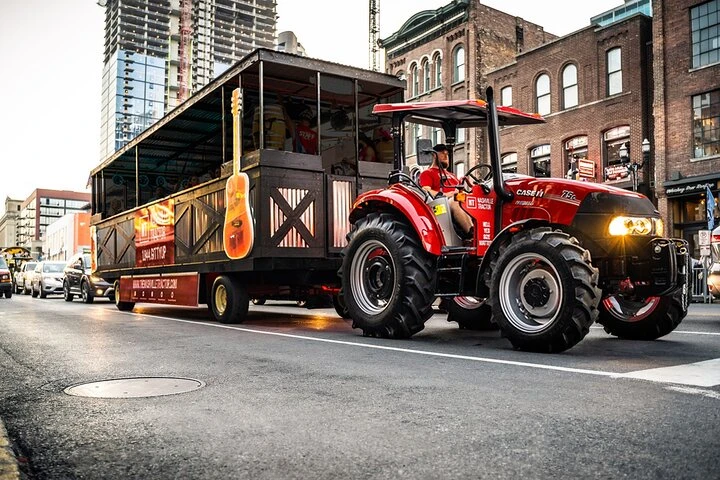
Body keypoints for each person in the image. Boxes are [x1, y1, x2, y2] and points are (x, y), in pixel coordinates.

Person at [418, 144, 474, 239]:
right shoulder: (427, 173)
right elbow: (426, 190)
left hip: (458, 200)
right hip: (439, 206)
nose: (446, 156)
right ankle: (472, 233)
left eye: (447, 154)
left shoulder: (452, 175)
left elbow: (460, 191)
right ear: (434, 155)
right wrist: (446, 195)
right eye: (442, 153)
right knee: (455, 201)